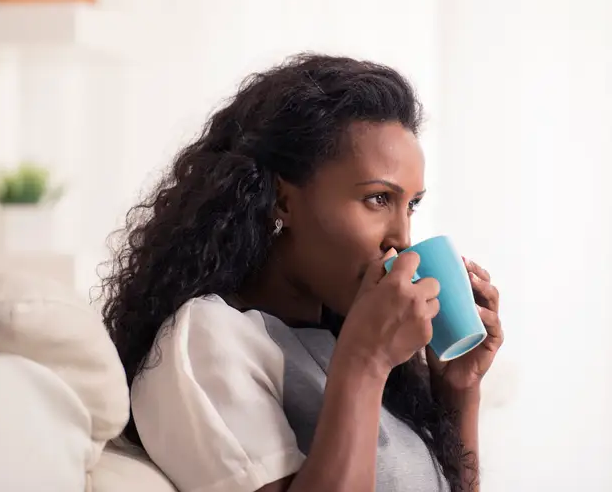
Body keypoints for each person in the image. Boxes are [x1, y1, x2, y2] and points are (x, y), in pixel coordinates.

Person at [101, 53, 504, 492]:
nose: (401, 239)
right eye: (377, 199)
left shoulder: (348, 340)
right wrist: (366, 363)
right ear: (282, 201)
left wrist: (458, 393)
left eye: (411, 205)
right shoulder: (209, 339)